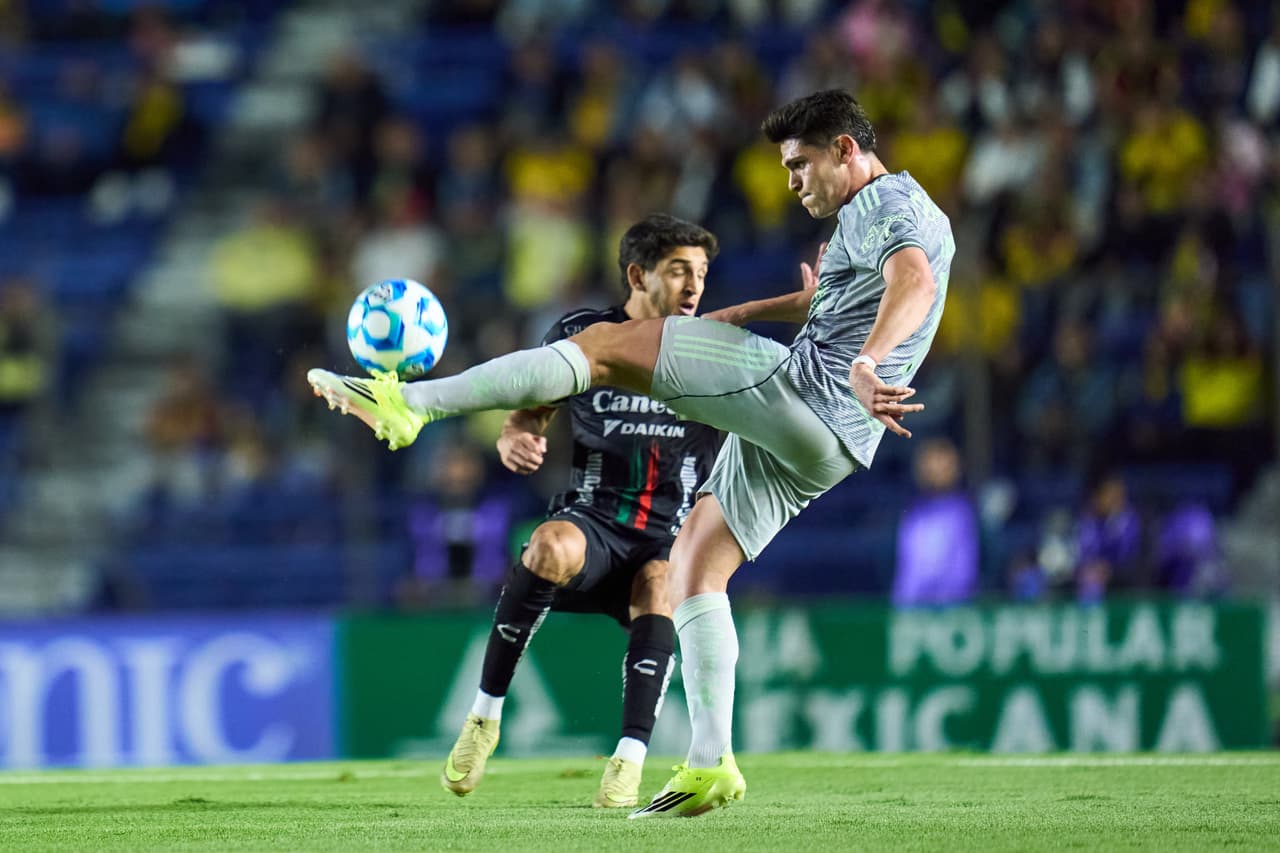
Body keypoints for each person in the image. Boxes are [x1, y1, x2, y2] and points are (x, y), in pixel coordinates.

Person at [309, 89, 953, 817]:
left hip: (812, 394)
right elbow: (851, 299)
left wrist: (869, 362)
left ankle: (409, 403)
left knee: (603, 347)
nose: (792, 182)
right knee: (695, 567)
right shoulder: (876, 218)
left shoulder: (886, 206)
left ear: (845, 150)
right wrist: (754, 313)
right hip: (835, 443)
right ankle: (712, 762)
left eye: (801, 164)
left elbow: (915, 281)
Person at [438, 214, 727, 809]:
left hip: (667, 535)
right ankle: (483, 718)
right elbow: (530, 405)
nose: (695, 286)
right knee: (546, 545)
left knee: (662, 581)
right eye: (679, 271)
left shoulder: (714, 349)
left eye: (701, 272)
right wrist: (514, 432)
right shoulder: (586, 333)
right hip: (593, 521)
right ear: (637, 274)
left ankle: (629, 760)